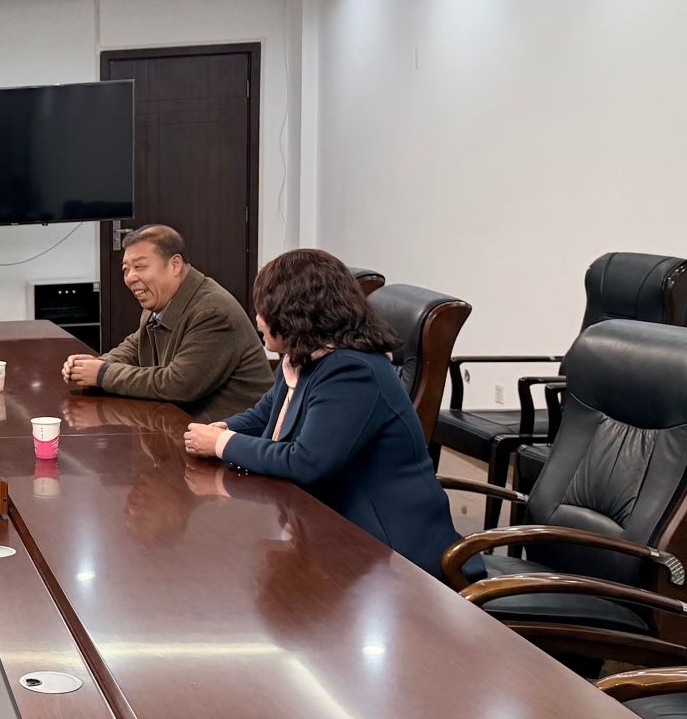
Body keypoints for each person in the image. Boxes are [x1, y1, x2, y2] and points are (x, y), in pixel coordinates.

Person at [182, 249, 457, 577]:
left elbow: (306, 462)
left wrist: (221, 444)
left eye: (263, 309)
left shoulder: (351, 371)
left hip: (391, 555)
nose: (257, 319)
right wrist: (222, 428)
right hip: (337, 529)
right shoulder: (305, 357)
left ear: (293, 313)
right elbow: (263, 415)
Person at [62, 225, 273, 422]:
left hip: (234, 438)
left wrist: (102, 374)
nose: (130, 278)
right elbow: (136, 346)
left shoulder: (212, 312)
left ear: (175, 265)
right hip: (183, 427)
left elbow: (179, 384)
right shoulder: (158, 302)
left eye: (140, 267)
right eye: (126, 269)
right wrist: (91, 366)